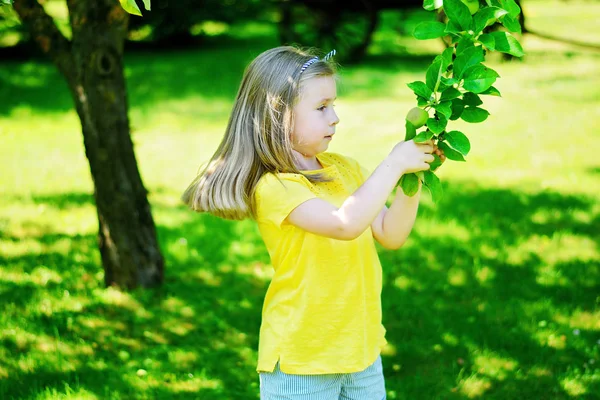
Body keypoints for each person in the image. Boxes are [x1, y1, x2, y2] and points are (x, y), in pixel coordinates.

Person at [182, 46, 445, 399]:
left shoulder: (344, 168)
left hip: (360, 350)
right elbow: (344, 223)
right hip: (302, 359)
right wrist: (393, 164)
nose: (334, 117)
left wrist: (412, 178)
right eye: (321, 108)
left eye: (333, 105)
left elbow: (390, 233)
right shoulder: (274, 186)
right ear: (278, 116)